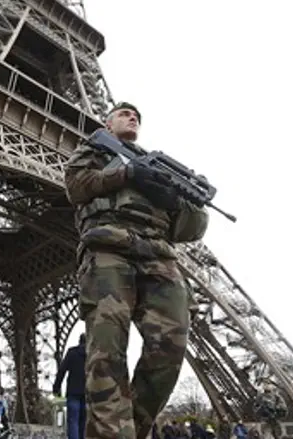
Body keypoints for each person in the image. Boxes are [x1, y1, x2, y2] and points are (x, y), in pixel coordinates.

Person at [63, 102, 210, 439]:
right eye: (124, 113)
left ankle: (128, 430)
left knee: (171, 349)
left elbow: (191, 230)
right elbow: (76, 187)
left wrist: (182, 201)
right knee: (107, 351)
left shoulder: (162, 169)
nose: (132, 117)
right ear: (107, 123)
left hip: (159, 256)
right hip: (108, 248)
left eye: (137, 116)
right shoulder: (95, 150)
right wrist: (127, 174)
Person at [52, 333, 86, 439]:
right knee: (84, 423)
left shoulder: (72, 352)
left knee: (73, 422)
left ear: (79, 341)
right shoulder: (93, 354)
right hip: (88, 393)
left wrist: (56, 388)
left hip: (73, 392)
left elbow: (62, 371)